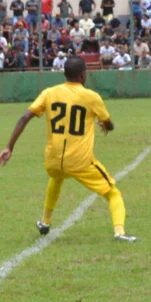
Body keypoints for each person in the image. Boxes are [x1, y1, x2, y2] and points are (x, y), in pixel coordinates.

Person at [0, 55, 136, 242]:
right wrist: (104, 124)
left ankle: (45, 221)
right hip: (80, 161)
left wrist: (9, 147)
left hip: (53, 159)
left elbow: (24, 117)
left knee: (56, 177)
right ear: (82, 75)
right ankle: (120, 232)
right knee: (113, 193)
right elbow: (108, 124)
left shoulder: (49, 93)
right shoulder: (91, 97)